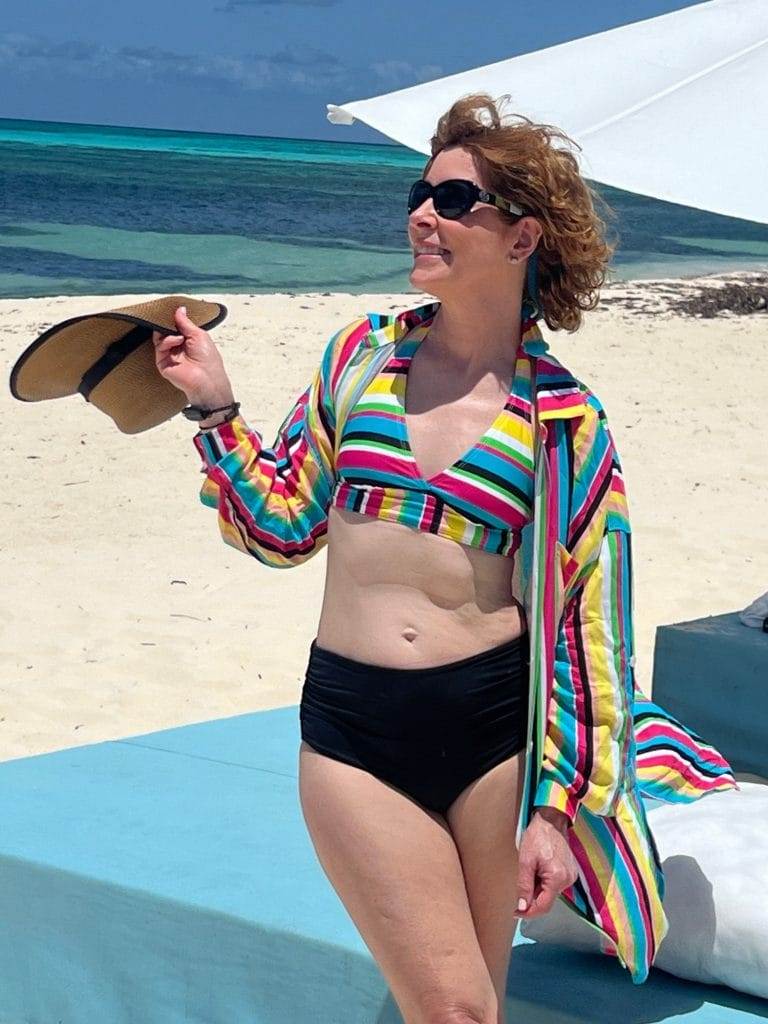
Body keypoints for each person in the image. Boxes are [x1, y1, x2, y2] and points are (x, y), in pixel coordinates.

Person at [152, 94, 737, 1023]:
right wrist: (217, 415)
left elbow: (592, 626)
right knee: (456, 1012)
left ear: (521, 238)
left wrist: (556, 810)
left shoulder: (563, 419)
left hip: (491, 733)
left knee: (474, 1015)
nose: (422, 212)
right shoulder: (361, 361)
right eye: (420, 192)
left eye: (455, 200)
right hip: (357, 728)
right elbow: (281, 528)